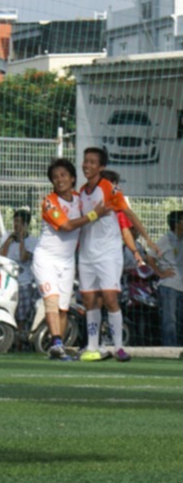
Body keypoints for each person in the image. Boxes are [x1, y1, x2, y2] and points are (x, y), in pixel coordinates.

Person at [77, 147, 157, 362]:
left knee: (110, 297)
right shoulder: (82, 191)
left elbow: (128, 213)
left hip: (108, 253)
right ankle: (94, 346)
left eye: (93, 162)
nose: (87, 165)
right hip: (86, 254)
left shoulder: (108, 188)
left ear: (101, 167)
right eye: (86, 161)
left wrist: (147, 239)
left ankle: (119, 347)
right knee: (89, 300)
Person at [32, 157, 110, 361]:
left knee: (63, 308)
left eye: (63, 175)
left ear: (73, 178)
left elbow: (97, 209)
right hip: (46, 259)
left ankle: (60, 347)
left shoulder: (80, 199)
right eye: (55, 177)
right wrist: (94, 215)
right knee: (51, 300)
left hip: (67, 262)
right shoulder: (49, 202)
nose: (59, 180)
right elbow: (67, 226)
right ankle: (56, 343)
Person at [0, 208, 37, 350]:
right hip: (7, 281)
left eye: (20, 222)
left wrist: (21, 240)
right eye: (15, 221)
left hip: (23, 282)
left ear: (26, 225)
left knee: (21, 315)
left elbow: (23, 257)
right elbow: (1, 256)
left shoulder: (32, 241)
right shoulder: (7, 237)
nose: (16, 225)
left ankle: (20, 342)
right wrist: (9, 241)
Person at [150, 210, 183, 346]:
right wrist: (160, 273)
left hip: (181, 285)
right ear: (177, 224)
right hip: (169, 285)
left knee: (180, 320)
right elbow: (150, 257)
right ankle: (169, 349)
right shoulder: (165, 239)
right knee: (170, 319)